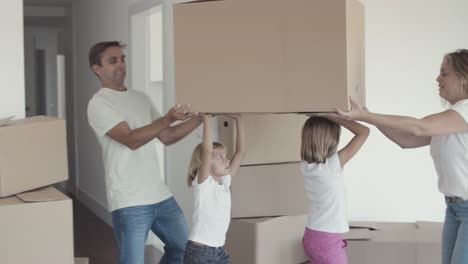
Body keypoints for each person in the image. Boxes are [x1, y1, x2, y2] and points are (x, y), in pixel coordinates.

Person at [335, 49, 468, 264]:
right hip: (454, 208)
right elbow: (406, 140)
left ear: (463, 77)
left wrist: (366, 115)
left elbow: (419, 127)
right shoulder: (453, 118)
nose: (438, 79)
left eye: (444, 73)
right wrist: (368, 116)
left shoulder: (464, 112)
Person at [87, 41, 203, 264]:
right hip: (129, 200)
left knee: (183, 250)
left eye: (122, 59)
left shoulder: (141, 97)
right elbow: (130, 140)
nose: (121, 65)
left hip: (160, 195)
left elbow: (167, 137)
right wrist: (167, 118)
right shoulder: (99, 104)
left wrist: (200, 118)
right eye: (113, 61)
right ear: (96, 68)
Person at [300, 114, 369, 264]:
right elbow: (364, 131)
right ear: (331, 140)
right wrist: (327, 115)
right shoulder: (331, 166)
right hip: (327, 240)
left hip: (313, 235)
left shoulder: (306, 166)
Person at [184, 114, 245, 264]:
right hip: (200, 252)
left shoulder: (224, 182)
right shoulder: (204, 183)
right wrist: (207, 120)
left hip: (219, 251)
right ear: (206, 163)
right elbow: (207, 151)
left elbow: (241, 152)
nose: (227, 160)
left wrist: (239, 120)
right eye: (219, 157)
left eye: (225, 156)